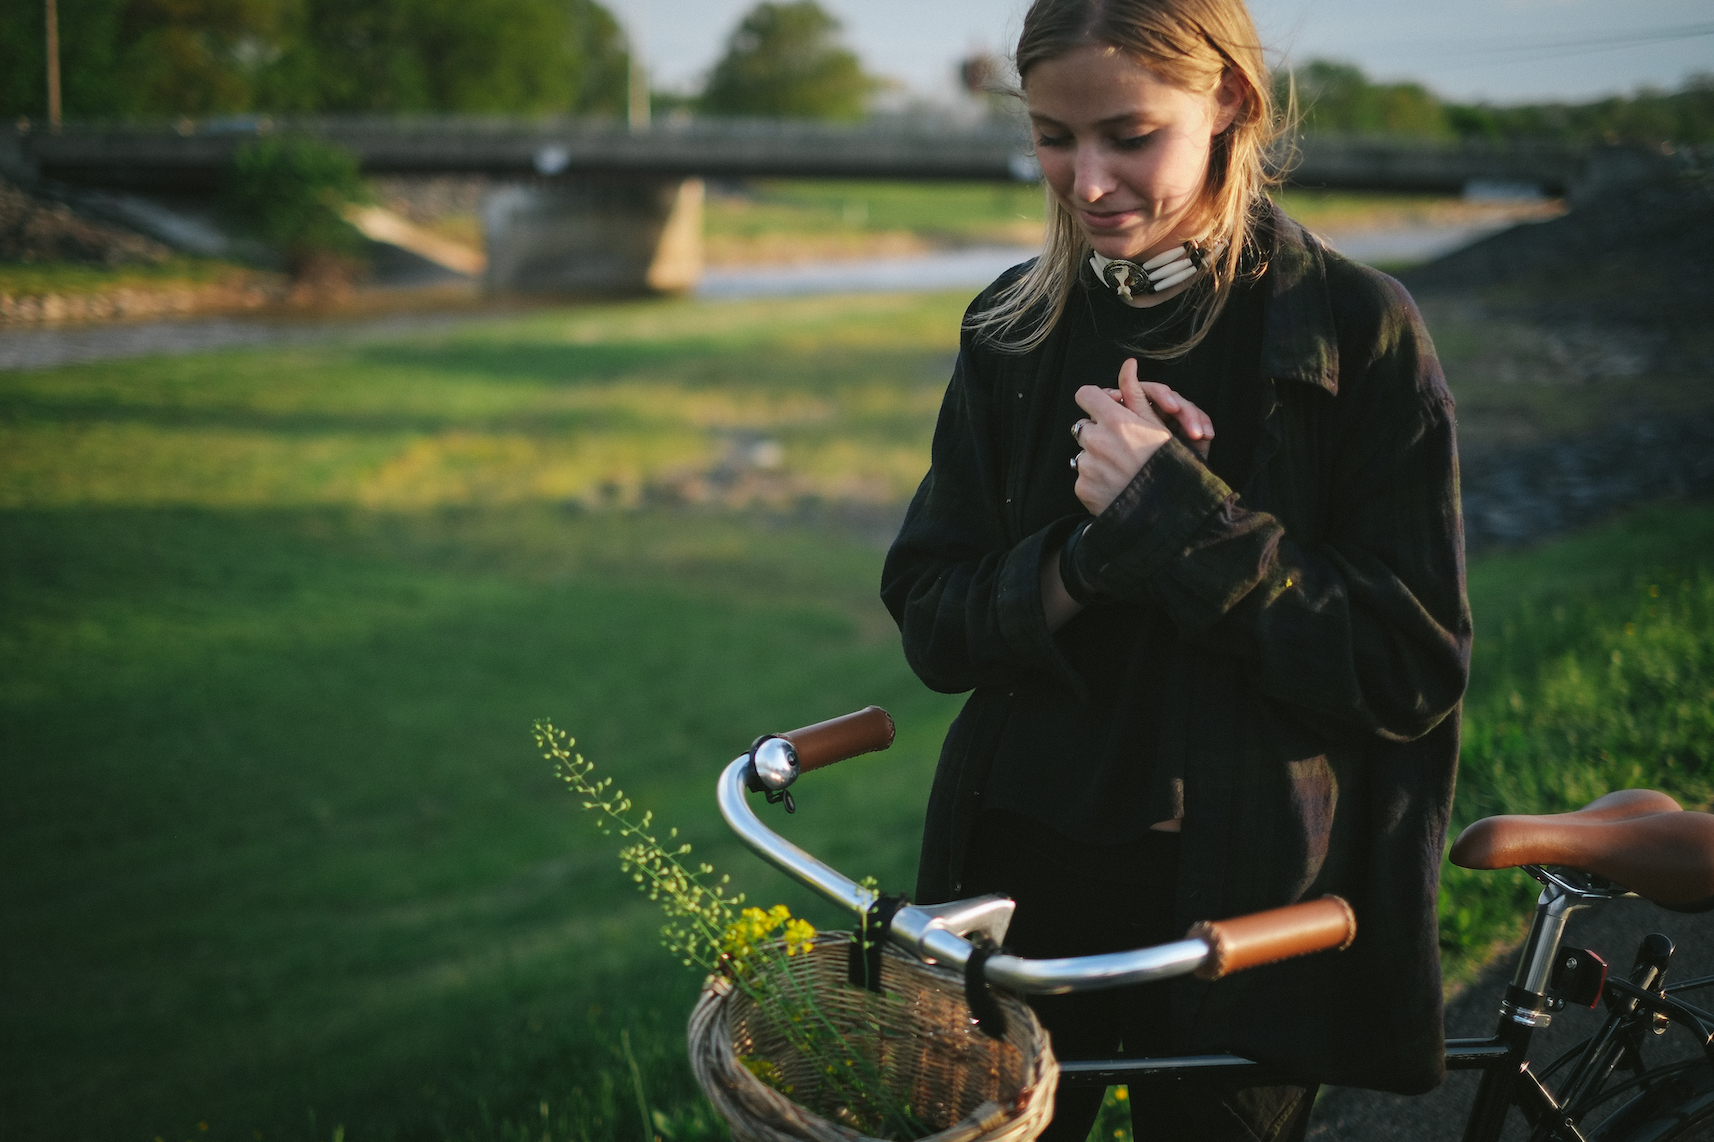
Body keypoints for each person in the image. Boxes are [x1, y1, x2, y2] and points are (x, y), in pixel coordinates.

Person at [879, 1, 1473, 1140]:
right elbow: (934, 626)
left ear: (1229, 104)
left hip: (1242, 916)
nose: (1086, 180)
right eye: (1054, 137)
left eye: (1128, 136)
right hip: (1013, 888)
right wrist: (1094, 555)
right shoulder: (1007, 330)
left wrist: (1180, 518)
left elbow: (1407, 666)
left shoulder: (1361, 331)